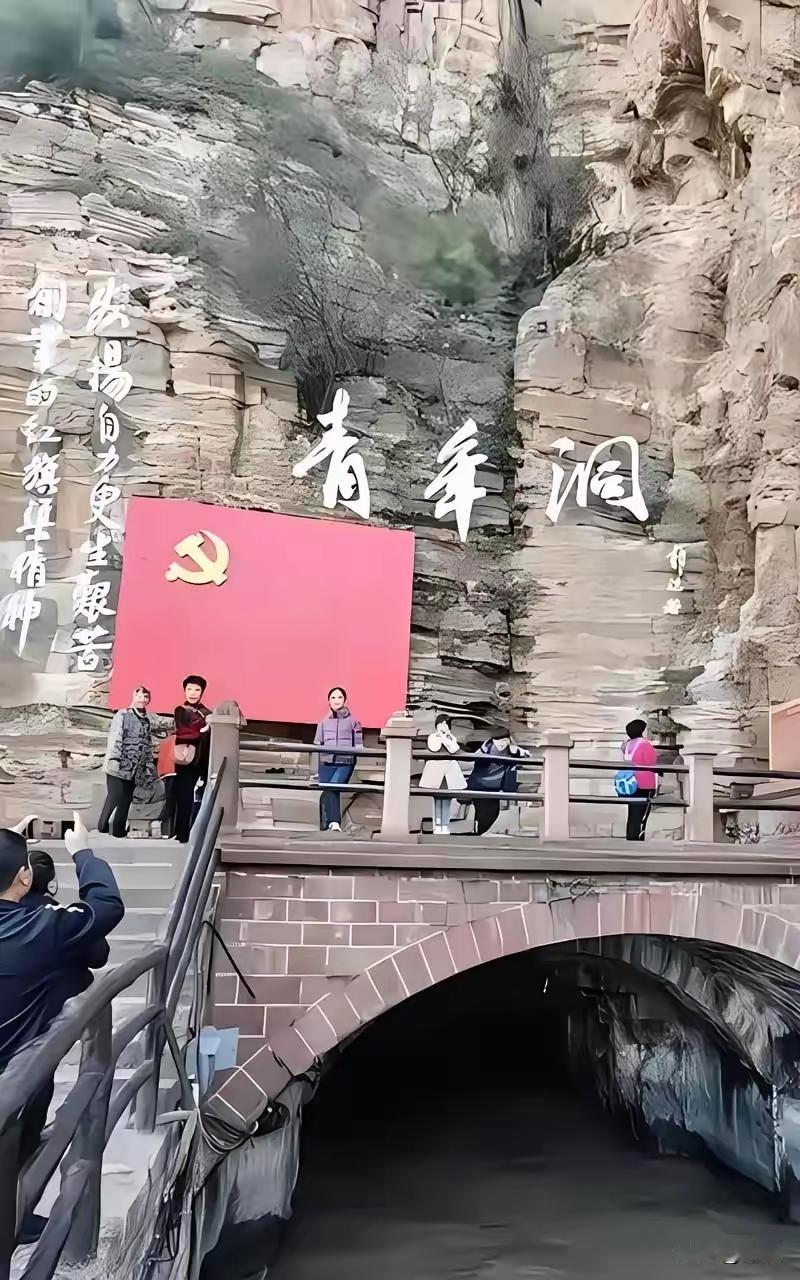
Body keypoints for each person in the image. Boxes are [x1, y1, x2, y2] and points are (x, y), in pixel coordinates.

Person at [0, 812, 124, 1243]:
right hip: (17, 1073)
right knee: (16, 1141)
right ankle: (11, 1224)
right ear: (24, 878)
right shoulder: (40, 927)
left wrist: (9, 842)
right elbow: (106, 907)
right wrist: (82, 851)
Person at [98, 686, 157, 838]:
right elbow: (116, 737)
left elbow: (147, 743)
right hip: (118, 763)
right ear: (133, 696)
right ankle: (103, 825)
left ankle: (118, 828)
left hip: (135, 766)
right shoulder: (123, 714)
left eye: (145, 696)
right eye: (139, 695)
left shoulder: (146, 720)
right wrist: (114, 759)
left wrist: (147, 764)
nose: (142, 699)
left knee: (126, 797)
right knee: (115, 794)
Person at [313, 687, 362, 832]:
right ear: (328, 701)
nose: (336, 700)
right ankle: (326, 823)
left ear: (344, 700)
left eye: (340, 697)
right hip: (326, 762)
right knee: (327, 790)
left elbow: (359, 745)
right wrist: (315, 769)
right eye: (333, 697)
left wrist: (353, 754)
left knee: (333, 787)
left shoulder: (353, 721)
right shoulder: (323, 722)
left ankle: (334, 822)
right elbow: (317, 744)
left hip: (345, 761)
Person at [466, 730, 530, 835]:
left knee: (491, 816)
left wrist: (517, 751)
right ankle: (481, 835)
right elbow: (473, 758)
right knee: (486, 818)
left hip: (495, 788)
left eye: (504, 741)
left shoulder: (512, 750)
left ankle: (483, 834)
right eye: (499, 742)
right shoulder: (487, 748)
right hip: (482, 787)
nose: (501, 745)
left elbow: (527, 755)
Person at [174, 675, 211, 844]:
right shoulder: (181, 710)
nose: (193, 693)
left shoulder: (208, 713)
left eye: (197, 689)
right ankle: (182, 833)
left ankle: (196, 831)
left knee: (201, 798)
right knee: (184, 796)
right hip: (185, 759)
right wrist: (202, 729)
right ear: (184, 691)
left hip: (203, 760)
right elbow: (183, 732)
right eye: (189, 689)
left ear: (202, 692)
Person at [419, 715, 467, 835]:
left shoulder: (451, 737)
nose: (443, 726)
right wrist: (441, 735)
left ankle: (445, 825)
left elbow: (454, 749)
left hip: (449, 773)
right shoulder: (432, 737)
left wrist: (446, 736)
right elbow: (434, 748)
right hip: (435, 772)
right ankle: (437, 825)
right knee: (436, 800)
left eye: (445, 724)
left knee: (447, 800)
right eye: (441, 724)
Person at [622, 718, 658, 841]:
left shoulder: (627, 744)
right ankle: (637, 836)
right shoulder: (645, 745)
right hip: (645, 783)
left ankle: (631, 835)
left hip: (631, 781)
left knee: (632, 811)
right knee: (642, 813)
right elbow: (652, 762)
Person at [158, 733, 177, 839]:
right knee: (178, 804)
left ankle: (166, 829)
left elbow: (161, 759)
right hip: (176, 771)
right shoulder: (179, 739)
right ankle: (173, 830)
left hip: (167, 773)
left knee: (169, 802)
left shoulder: (165, 741)